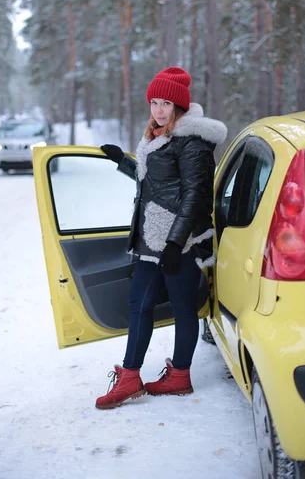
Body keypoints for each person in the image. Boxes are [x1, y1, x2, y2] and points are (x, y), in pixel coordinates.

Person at [97, 66, 227, 410]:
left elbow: (194, 196)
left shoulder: (192, 142)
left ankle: (179, 375)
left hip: (178, 241)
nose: (158, 109)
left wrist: (174, 244)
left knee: (183, 307)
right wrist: (123, 161)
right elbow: (155, 182)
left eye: (166, 103)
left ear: (180, 107)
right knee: (138, 305)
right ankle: (130, 377)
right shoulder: (158, 135)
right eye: (154, 101)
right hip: (151, 240)